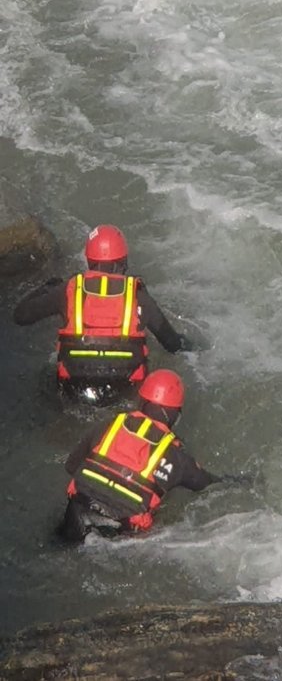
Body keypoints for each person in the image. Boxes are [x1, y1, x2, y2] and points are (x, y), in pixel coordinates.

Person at [13, 224, 189, 404]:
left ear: (89, 260)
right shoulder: (137, 295)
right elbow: (171, 343)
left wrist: (47, 287)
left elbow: (21, 316)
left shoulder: (69, 289)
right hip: (124, 390)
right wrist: (191, 345)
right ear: (124, 261)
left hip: (75, 388)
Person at [60, 368, 219, 542]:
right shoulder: (176, 456)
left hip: (77, 513)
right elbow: (209, 486)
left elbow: (71, 466)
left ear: (141, 400)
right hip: (121, 532)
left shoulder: (110, 424)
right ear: (176, 416)